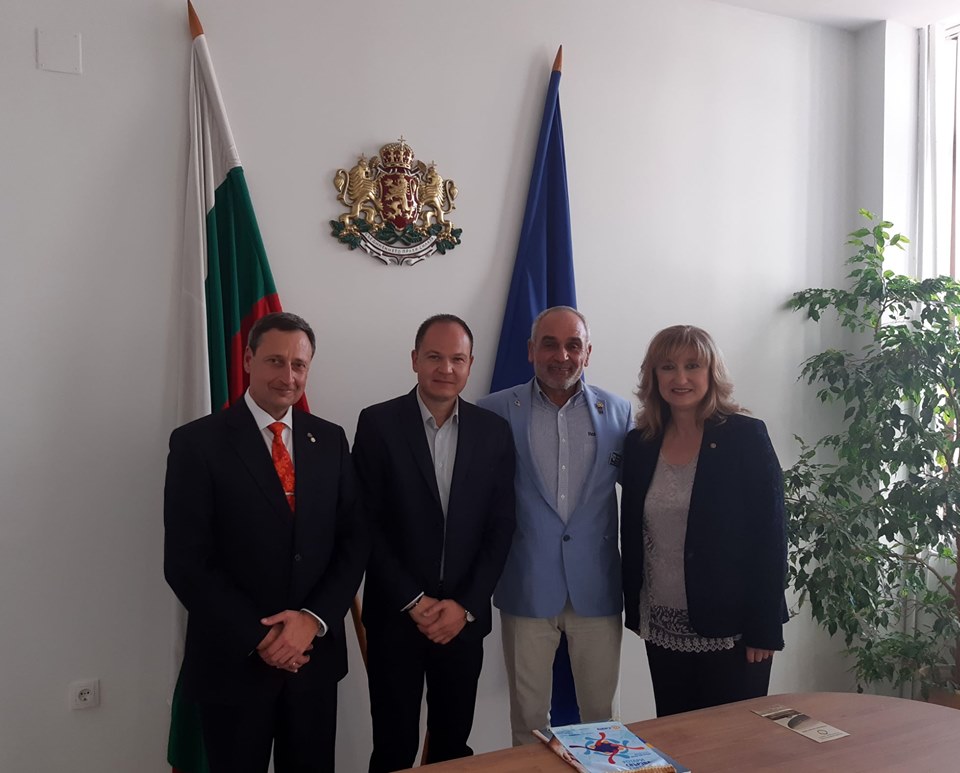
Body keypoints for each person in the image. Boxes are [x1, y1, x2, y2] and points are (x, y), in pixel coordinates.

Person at [163, 312, 368, 773]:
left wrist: (311, 621)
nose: (288, 376)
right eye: (276, 361)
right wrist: (263, 637)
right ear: (248, 359)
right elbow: (186, 562)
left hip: (313, 660)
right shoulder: (198, 443)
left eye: (299, 365)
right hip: (233, 663)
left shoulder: (329, 439)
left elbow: (353, 541)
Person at [353, 314, 516, 772]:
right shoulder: (378, 423)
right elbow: (364, 523)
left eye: (457, 359)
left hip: (462, 620)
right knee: (393, 746)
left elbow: (501, 527)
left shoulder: (493, 431)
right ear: (414, 360)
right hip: (396, 618)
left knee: (452, 748)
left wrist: (464, 605)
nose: (446, 368)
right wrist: (413, 600)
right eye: (434, 357)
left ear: (470, 364)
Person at [478, 306, 632, 746]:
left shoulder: (618, 413)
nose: (561, 355)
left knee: (603, 723)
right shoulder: (494, 411)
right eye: (549, 344)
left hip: (596, 587)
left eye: (572, 345)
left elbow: (645, 493)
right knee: (528, 723)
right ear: (531, 350)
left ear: (588, 353)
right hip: (526, 584)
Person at [620, 324, 788, 717]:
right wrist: (636, 610)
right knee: (675, 737)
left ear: (712, 372)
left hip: (735, 631)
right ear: (653, 376)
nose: (680, 378)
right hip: (662, 625)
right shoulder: (640, 444)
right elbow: (635, 531)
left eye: (692, 365)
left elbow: (771, 537)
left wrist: (764, 628)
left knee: (731, 742)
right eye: (668, 367)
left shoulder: (745, 437)